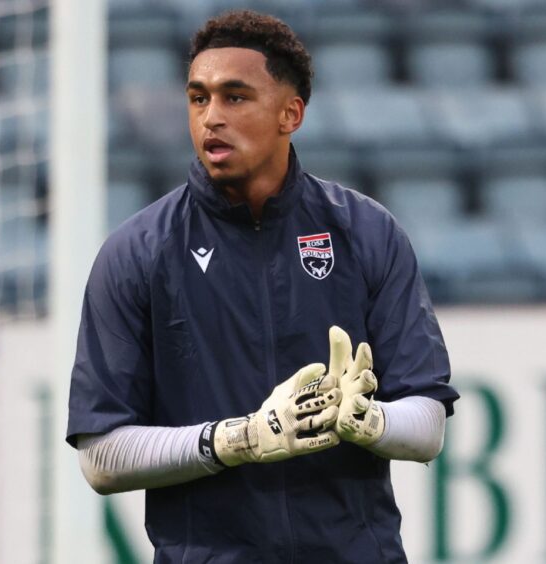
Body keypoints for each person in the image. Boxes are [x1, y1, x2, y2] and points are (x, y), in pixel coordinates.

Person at [67, 10, 458, 563]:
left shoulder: (367, 232)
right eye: (198, 98)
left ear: (290, 113)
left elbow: (428, 426)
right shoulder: (137, 252)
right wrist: (236, 440)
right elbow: (101, 457)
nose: (211, 119)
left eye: (235, 97)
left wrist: (369, 422)